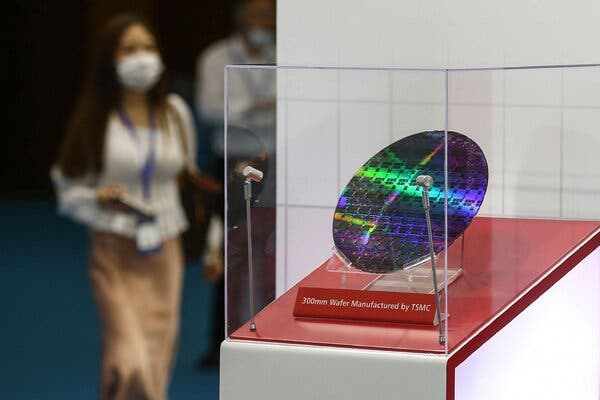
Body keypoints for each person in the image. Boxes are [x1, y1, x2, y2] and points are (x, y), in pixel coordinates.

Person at [52, 13, 213, 399]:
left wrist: (212, 243)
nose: (141, 57)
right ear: (111, 59)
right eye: (129, 49)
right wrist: (98, 198)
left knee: (156, 359)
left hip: (164, 250)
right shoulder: (94, 118)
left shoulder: (175, 112)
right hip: (113, 249)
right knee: (127, 360)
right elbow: (67, 189)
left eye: (148, 47)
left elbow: (189, 179)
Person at [194, 0, 276, 367]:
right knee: (231, 250)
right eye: (258, 12)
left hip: (276, 161)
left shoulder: (284, 54)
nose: (265, 20)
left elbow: (293, 105)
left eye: (270, 12)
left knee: (270, 249)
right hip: (230, 162)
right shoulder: (216, 57)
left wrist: (247, 107)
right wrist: (260, 107)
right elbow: (212, 109)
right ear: (239, 15)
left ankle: (271, 334)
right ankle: (221, 341)